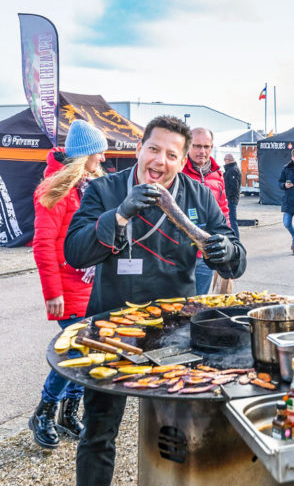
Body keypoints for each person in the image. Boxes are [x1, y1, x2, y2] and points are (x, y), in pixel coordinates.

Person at [64, 115, 246, 486]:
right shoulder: (105, 190)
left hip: (175, 333)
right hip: (111, 328)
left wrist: (225, 250)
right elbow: (75, 252)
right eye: (153, 149)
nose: (160, 161)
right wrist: (118, 215)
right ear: (139, 149)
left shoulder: (199, 195)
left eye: (171, 155)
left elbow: (236, 256)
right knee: (98, 432)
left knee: (178, 429)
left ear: (182, 161)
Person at [29, 120, 107, 449]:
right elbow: (43, 245)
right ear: (85, 154)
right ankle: (43, 413)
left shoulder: (88, 186)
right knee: (73, 350)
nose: (103, 158)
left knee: (86, 353)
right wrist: (53, 293)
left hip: (90, 284)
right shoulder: (55, 189)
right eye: (99, 152)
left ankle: (67, 413)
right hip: (68, 287)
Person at [182, 127, 230, 295]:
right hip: (180, 254)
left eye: (206, 146)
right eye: (196, 146)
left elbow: (223, 209)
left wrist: (228, 241)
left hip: (206, 252)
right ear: (187, 146)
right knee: (177, 305)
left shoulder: (217, 174)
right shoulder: (178, 171)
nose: (202, 151)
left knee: (200, 303)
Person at [223, 153, 241, 238]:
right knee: (230, 219)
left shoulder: (233, 170)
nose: (224, 162)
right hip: (231, 198)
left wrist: (227, 197)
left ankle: (236, 239)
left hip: (231, 199)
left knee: (232, 220)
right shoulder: (230, 169)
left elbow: (234, 186)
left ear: (228, 160)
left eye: (225, 160)